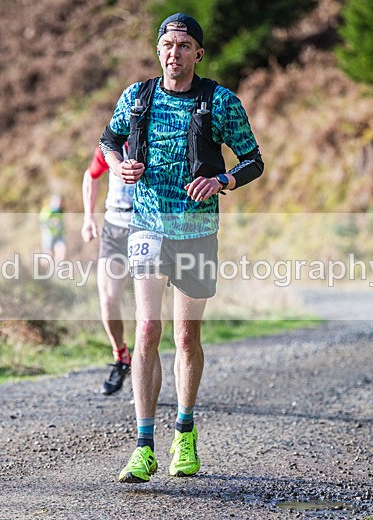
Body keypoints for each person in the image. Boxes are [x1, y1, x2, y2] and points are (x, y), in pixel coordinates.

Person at [99, 13, 264, 482]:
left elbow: (253, 160)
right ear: (159, 50)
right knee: (148, 328)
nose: (175, 53)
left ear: (198, 53)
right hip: (147, 227)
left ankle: (185, 432)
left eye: (184, 45)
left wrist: (221, 180)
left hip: (197, 231)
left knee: (187, 337)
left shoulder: (220, 102)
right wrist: (118, 165)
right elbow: (108, 141)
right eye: (168, 44)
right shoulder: (137, 97)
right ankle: (143, 446)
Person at [81, 144, 136, 395]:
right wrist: (88, 217)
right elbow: (91, 175)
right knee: (108, 301)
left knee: (147, 312)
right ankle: (122, 357)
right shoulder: (111, 145)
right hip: (115, 228)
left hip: (148, 225)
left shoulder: (157, 137)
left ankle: (146, 368)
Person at [39, 194, 66, 264]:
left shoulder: (60, 210)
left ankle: (58, 268)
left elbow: (61, 222)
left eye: (60, 202)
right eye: (58, 202)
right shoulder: (47, 210)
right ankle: (41, 267)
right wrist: (52, 223)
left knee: (62, 251)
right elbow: (42, 222)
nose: (59, 204)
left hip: (59, 235)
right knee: (48, 256)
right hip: (48, 235)